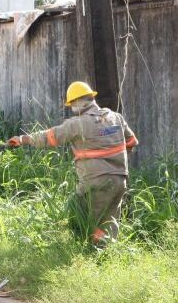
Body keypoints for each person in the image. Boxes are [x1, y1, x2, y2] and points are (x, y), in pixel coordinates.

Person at [8, 81, 138, 247]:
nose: (71, 109)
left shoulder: (78, 124)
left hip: (96, 182)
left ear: (77, 103)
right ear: (91, 98)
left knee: (79, 215)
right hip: (121, 181)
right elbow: (132, 141)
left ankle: (87, 254)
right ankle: (106, 254)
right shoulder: (115, 118)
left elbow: (49, 137)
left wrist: (21, 139)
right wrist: (116, 158)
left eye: (71, 105)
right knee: (108, 222)